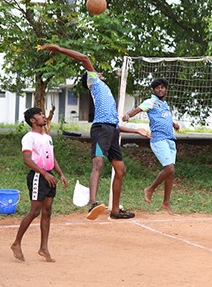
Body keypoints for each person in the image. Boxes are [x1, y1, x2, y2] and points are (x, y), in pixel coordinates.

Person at [40, 44, 150, 220]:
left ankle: (115, 210)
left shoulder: (105, 91)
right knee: (98, 163)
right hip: (100, 131)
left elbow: (115, 124)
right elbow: (84, 58)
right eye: (95, 72)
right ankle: (93, 203)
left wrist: (137, 131)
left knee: (120, 170)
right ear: (90, 78)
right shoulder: (95, 83)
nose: (99, 73)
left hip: (112, 132)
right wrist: (59, 49)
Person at [11, 107, 68, 262]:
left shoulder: (47, 137)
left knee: (47, 211)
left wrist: (60, 174)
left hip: (49, 176)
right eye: (40, 115)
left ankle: (43, 248)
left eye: (43, 114)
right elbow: (27, 160)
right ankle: (16, 243)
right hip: (38, 176)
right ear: (32, 120)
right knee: (35, 211)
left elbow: (52, 157)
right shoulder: (29, 138)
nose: (43, 116)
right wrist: (44, 173)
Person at [122, 78, 180, 214]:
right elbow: (138, 109)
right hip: (158, 139)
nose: (160, 89)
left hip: (170, 139)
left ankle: (166, 202)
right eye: (157, 88)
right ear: (153, 90)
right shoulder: (151, 101)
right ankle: (150, 189)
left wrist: (174, 124)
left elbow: (165, 118)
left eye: (163, 87)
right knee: (169, 168)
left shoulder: (164, 104)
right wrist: (127, 115)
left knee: (171, 172)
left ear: (166, 89)